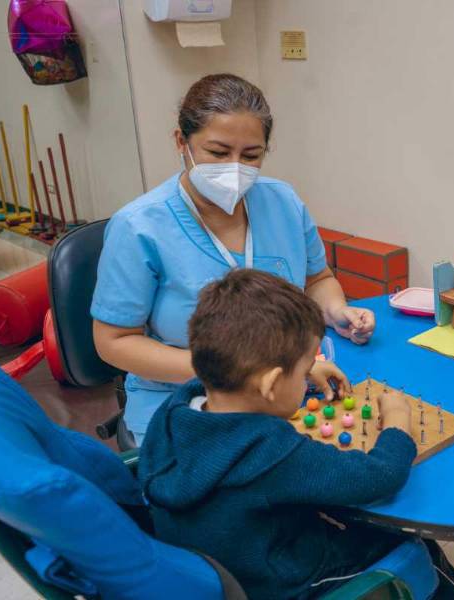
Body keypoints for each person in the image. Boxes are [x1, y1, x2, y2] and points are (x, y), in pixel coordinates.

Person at [91, 74, 375, 444]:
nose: (234, 167)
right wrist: (233, 373)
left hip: (280, 391)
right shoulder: (139, 227)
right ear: (181, 142)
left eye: (251, 155)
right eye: (218, 153)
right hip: (182, 401)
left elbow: (317, 279)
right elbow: (113, 340)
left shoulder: (284, 203)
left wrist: (336, 311)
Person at [139, 269, 432, 599]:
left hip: (222, 570)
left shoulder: (173, 413)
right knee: (414, 547)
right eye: (304, 370)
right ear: (271, 384)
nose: (307, 378)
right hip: (281, 585)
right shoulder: (271, 451)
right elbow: (381, 476)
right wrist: (396, 420)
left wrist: (297, 370)